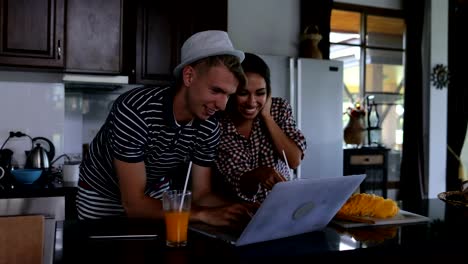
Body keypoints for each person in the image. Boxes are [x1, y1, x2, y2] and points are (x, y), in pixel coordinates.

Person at [76, 30, 251, 226]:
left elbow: (202, 195)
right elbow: (133, 205)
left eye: (228, 95)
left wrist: (245, 208)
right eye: (216, 90)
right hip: (102, 193)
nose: (222, 105)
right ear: (189, 76)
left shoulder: (209, 125)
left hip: (155, 191)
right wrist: (202, 215)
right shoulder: (135, 110)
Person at [214, 52, 307, 203]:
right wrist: (258, 174)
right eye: (243, 93)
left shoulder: (279, 108)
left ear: (268, 93)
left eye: (260, 93)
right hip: (240, 211)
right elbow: (238, 180)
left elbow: (294, 160)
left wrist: (267, 117)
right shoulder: (220, 124)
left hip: (282, 205)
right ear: (231, 92)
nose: (251, 102)